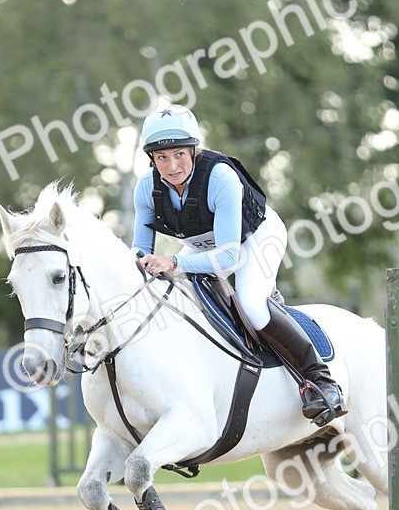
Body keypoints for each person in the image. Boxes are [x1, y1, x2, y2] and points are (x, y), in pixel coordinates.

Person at [132, 104, 347, 425]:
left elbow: (228, 258)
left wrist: (174, 260)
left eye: (179, 154)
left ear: (193, 150)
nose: (172, 165)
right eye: (162, 157)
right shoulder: (146, 188)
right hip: (204, 242)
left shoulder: (220, 177)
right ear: (152, 159)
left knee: (251, 302)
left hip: (254, 236)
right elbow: (140, 248)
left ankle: (321, 380)